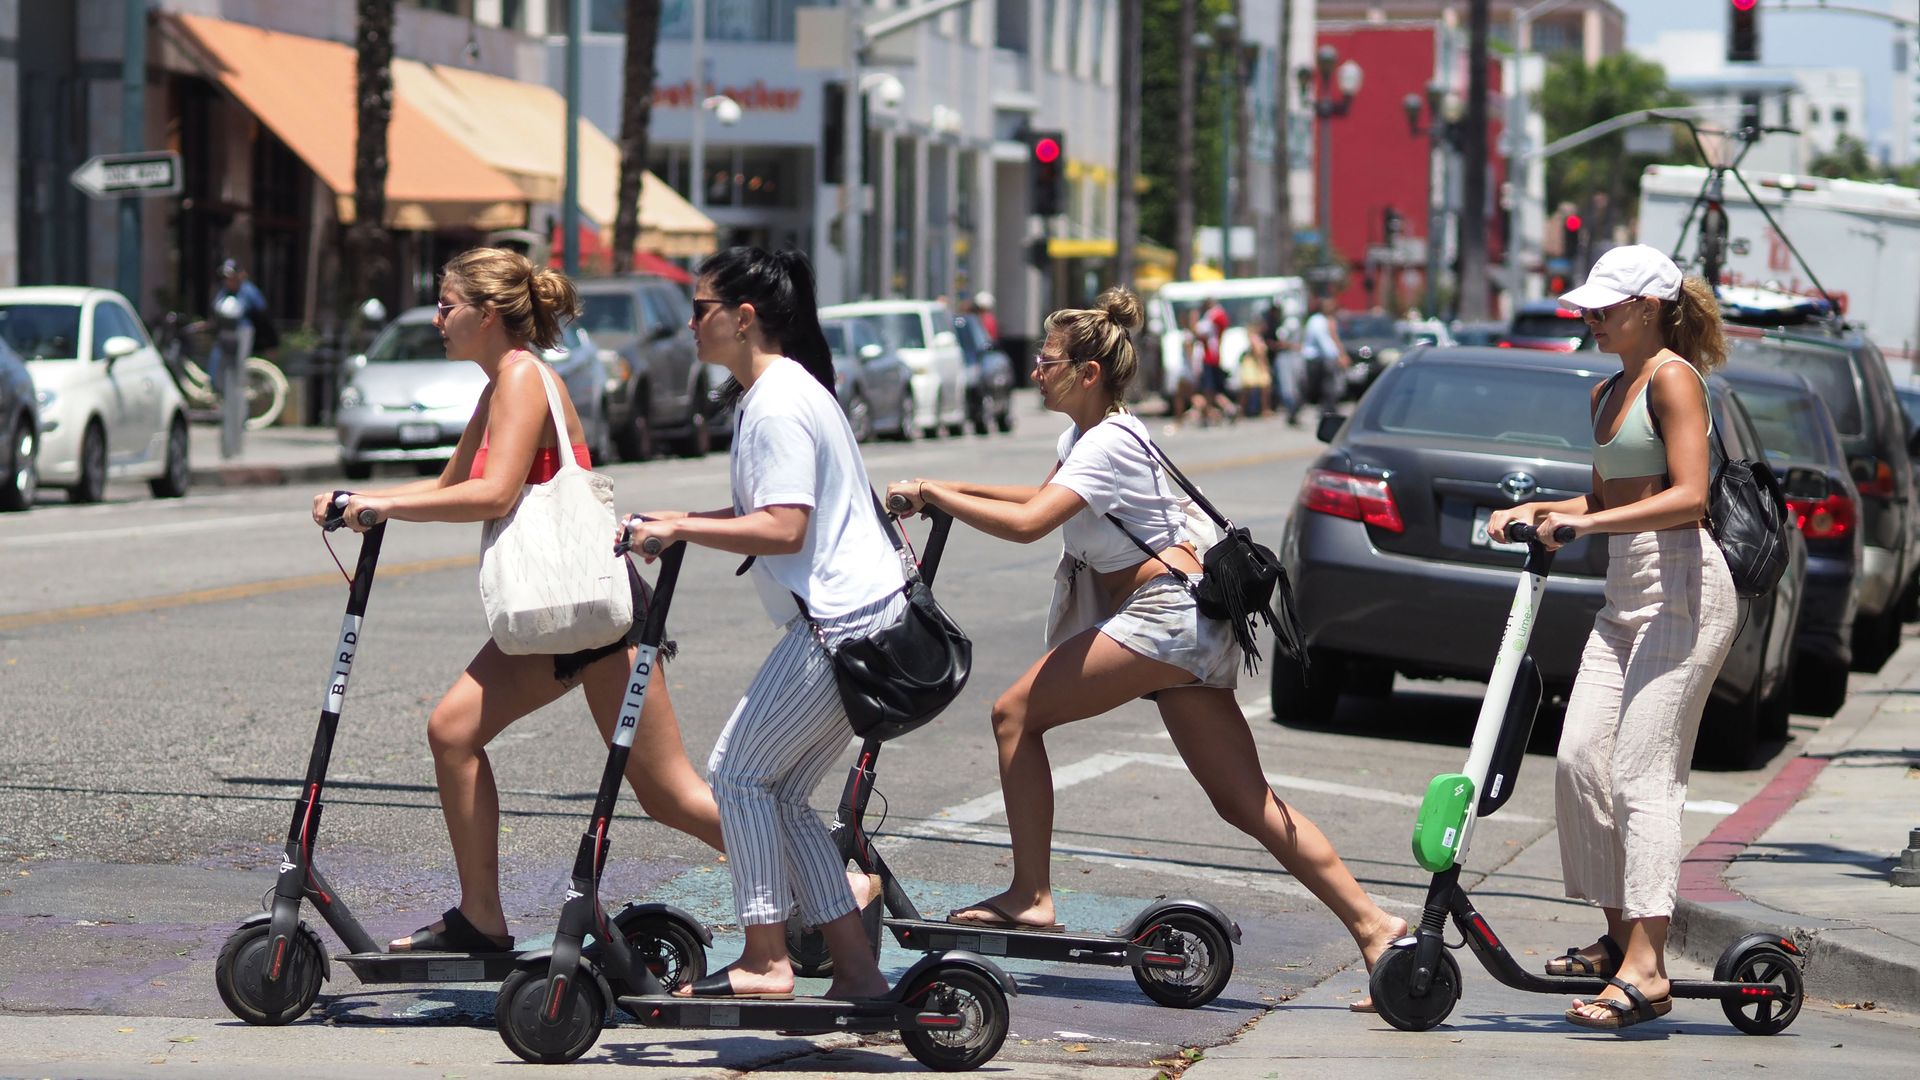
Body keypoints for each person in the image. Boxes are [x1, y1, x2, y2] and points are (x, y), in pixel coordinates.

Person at [884, 286, 1406, 1010]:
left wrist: (935, 496)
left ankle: (1032, 893)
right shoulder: (1092, 439)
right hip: (1185, 619)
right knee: (1245, 802)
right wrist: (938, 486)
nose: (1036, 369)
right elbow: (1038, 494)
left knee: (1014, 715)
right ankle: (1377, 927)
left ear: (1088, 372)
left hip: (1166, 617)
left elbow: (1032, 521)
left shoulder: (1107, 444)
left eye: (1048, 359)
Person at [318, 247, 729, 954]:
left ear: (488, 313)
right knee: (453, 731)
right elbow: (449, 484)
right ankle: (481, 919)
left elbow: (495, 492)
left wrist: (382, 509)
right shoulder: (498, 384)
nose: (438, 317)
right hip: (555, 615)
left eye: (448, 305)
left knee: (670, 795)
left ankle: (830, 880)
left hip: (594, 611)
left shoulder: (522, 379)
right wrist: (361, 499)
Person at [623, 247, 898, 1001]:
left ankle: (766, 957)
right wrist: (676, 520)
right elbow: (765, 517)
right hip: (859, 624)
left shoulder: (777, 402)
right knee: (777, 795)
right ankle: (857, 973)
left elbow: (782, 528)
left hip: (840, 627)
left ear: (743, 320)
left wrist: (682, 530)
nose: (690, 322)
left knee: (736, 774)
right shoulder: (774, 393)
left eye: (702, 307)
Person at [1487, 245, 1736, 1033]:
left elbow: (1689, 498)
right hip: (1624, 592)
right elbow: (1607, 495)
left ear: (1650, 307)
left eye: (1604, 307)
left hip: (1684, 588)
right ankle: (1618, 935)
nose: (1590, 318)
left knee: (1641, 776)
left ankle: (1648, 968)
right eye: (1587, 308)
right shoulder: (1606, 391)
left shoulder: (1671, 378)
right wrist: (1538, 512)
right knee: (1578, 760)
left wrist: (1586, 522)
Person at [208, 259, 270, 386]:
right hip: (224, 334)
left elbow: (262, 313)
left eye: (231, 277)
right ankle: (217, 389)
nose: (228, 280)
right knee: (217, 362)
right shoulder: (223, 292)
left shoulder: (248, 290)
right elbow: (215, 311)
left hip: (242, 331)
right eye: (226, 278)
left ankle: (240, 390)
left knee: (239, 365)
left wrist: (266, 342)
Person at [1299, 294, 1347, 417]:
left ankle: (1328, 411)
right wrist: (1337, 356)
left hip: (1322, 359)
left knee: (1328, 387)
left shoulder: (1326, 320)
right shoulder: (1317, 321)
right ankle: (1294, 411)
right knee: (1310, 388)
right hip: (1315, 360)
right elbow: (1323, 342)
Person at [1238, 316, 1273, 419]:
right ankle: (1242, 410)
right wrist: (1264, 365)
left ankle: (1264, 409)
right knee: (1249, 388)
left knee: (1263, 388)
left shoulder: (1258, 337)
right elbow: (1258, 353)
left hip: (1256, 364)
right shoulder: (1254, 337)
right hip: (1255, 365)